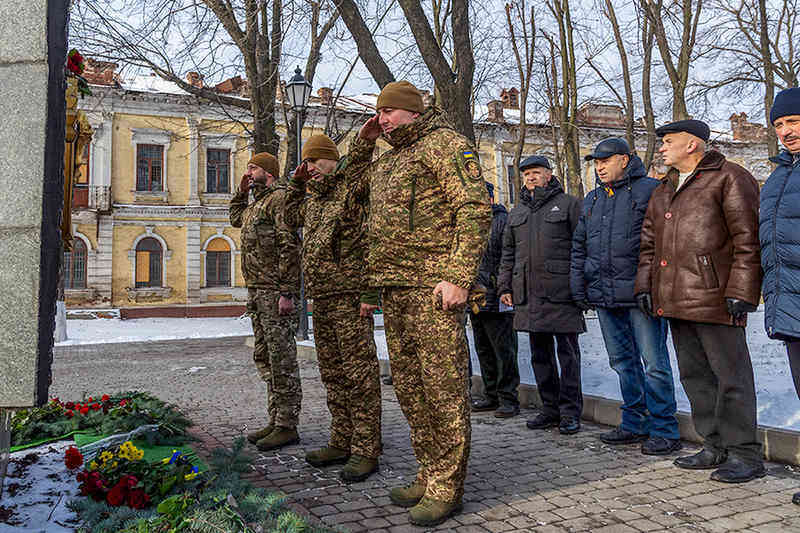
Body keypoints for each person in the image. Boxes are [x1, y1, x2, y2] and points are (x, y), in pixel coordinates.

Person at [348, 80, 491, 527]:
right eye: (378, 111)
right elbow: (349, 200)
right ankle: (429, 472)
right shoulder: (388, 158)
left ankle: (448, 486)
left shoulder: (444, 144)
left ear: (411, 110)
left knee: (442, 388)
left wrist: (459, 276)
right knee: (410, 388)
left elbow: (474, 209)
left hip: (434, 289)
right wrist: (362, 144)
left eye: (388, 111)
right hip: (395, 287)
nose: (382, 118)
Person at [635, 119, 764, 483]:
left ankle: (744, 453)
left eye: (668, 141)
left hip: (716, 298)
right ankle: (714, 444)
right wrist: (645, 286)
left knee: (731, 377)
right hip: (675, 298)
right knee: (695, 376)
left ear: (692, 145)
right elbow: (648, 244)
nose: (661, 148)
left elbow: (747, 239)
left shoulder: (729, 177)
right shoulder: (664, 188)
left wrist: (742, 290)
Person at [571, 138, 681, 455]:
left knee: (654, 363)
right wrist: (579, 286)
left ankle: (664, 428)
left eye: (605, 161)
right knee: (622, 362)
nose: (599, 167)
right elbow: (579, 247)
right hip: (605, 295)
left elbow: (664, 242)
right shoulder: (592, 199)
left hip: (641, 294)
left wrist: (655, 285)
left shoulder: (651, 190)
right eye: (595, 162)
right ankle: (635, 423)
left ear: (624, 159)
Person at [284, 134, 382, 482]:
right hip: (322, 298)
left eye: (314, 162)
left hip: (351, 297)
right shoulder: (313, 200)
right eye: (306, 163)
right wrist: (296, 184)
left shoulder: (350, 189)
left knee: (360, 377)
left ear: (331, 160)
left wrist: (371, 292)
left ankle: (367, 448)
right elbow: (287, 215)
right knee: (333, 374)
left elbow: (373, 236)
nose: (309, 169)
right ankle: (342, 439)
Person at [498, 155, 585, 436]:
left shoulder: (570, 205)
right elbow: (508, 253)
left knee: (568, 356)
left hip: (561, 293)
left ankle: (570, 412)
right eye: (526, 174)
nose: (530, 178)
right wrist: (505, 287)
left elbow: (581, 248)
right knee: (539, 355)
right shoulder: (518, 211)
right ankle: (550, 409)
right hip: (529, 294)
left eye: (536, 172)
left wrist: (579, 286)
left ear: (549, 174)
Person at [230, 152, 302, 451]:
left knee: (282, 358)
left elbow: (289, 246)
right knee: (265, 356)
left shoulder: (280, 199)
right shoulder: (256, 202)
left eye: (253, 167)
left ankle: (287, 424)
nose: (249, 171)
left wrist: (287, 292)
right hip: (258, 291)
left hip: (275, 291)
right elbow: (235, 218)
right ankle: (275, 419)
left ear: (268, 172)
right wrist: (241, 191)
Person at [760, 87, 800, 502]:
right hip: (788, 301)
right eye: (779, 125)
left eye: (793, 121)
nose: (785, 131)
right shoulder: (777, 176)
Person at [470, 181, 520, 418]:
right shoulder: (470, 224)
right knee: (483, 348)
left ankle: (508, 398)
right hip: (475, 298)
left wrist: (502, 288)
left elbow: (507, 259)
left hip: (497, 294)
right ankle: (491, 395)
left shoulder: (502, 221)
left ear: (490, 198)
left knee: (504, 349)